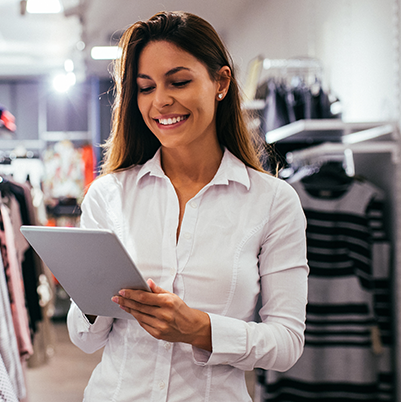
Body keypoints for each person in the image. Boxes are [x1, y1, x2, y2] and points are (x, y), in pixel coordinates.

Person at [67, 11, 309, 402]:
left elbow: (287, 343)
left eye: (178, 82)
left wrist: (200, 329)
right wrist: (93, 298)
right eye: (145, 88)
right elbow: (84, 339)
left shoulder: (272, 201)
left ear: (221, 83)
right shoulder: (108, 195)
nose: (161, 101)